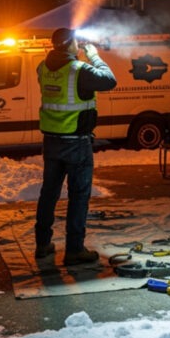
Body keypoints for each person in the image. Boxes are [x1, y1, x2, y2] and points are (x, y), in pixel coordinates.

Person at [34, 27, 117, 265]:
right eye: (77, 43)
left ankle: (42, 244)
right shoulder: (79, 70)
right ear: (70, 44)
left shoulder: (43, 68)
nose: (79, 46)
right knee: (79, 196)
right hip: (76, 144)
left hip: (51, 142)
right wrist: (93, 55)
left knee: (48, 194)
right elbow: (109, 81)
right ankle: (74, 250)